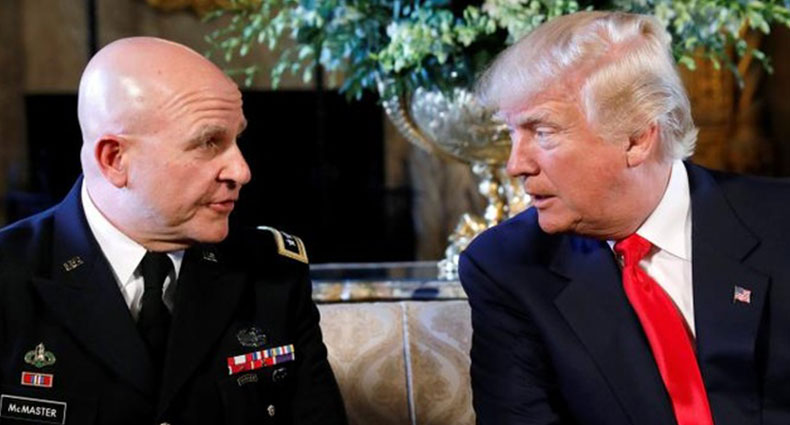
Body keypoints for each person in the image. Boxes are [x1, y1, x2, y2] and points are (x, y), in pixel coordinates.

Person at [460, 11, 790, 425]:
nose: (515, 165)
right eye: (511, 133)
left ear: (636, 138)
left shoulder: (780, 222)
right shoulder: (507, 267)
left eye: (542, 132)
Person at [0, 37, 347, 425]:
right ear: (115, 160)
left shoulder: (271, 272)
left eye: (236, 139)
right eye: (209, 142)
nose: (241, 171)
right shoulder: (9, 276)